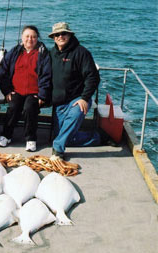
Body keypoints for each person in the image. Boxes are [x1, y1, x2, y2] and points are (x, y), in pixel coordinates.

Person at [49, 22, 101, 159]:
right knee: (66, 136)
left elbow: (93, 77)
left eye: (63, 33)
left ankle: (57, 150)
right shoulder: (51, 53)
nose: (60, 36)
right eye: (57, 34)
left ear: (70, 35)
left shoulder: (81, 53)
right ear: (53, 37)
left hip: (77, 100)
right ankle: (98, 137)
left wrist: (84, 98)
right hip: (59, 103)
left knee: (62, 137)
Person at [0, 25, 52, 152]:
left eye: (33, 37)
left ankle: (30, 139)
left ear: (37, 38)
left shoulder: (43, 54)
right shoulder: (14, 52)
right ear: (22, 37)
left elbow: (47, 75)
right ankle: (6, 135)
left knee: (29, 108)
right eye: (27, 36)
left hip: (34, 93)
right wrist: (7, 90)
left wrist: (42, 94)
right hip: (16, 91)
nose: (30, 39)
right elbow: (2, 72)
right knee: (13, 107)